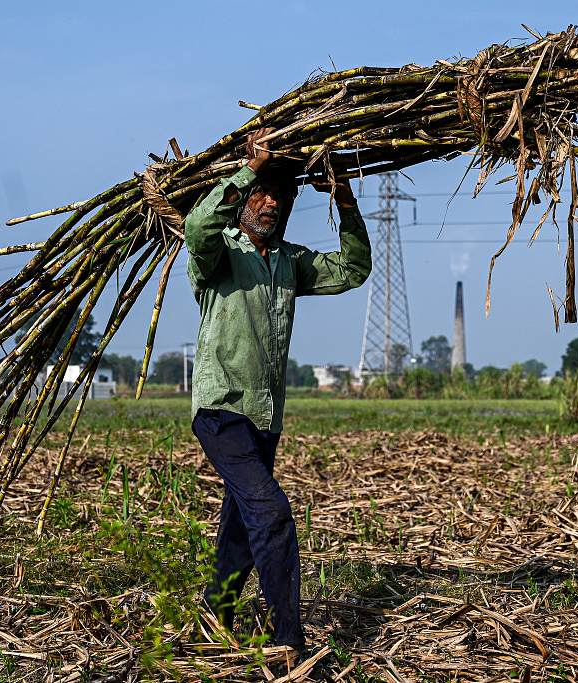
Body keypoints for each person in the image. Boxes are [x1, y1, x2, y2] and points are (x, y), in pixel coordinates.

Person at [185, 127, 371, 656]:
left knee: (242, 529)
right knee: (271, 516)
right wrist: (250, 168)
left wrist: (345, 201)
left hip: (265, 418)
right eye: (262, 195)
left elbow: (354, 269)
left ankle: (213, 615)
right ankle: (289, 642)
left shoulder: (290, 262)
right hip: (222, 411)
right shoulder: (217, 255)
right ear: (243, 199)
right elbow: (198, 227)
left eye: (280, 198)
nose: (271, 204)